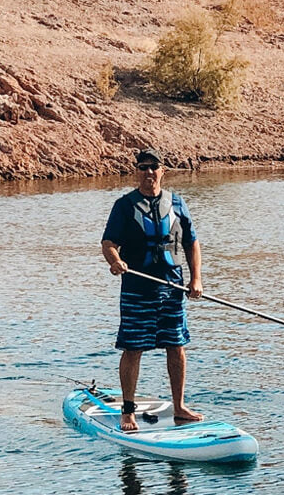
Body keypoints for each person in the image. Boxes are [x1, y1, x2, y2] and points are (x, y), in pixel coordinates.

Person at [101, 148, 204, 432]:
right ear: (137, 171)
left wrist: (196, 279)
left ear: (162, 171)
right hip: (137, 290)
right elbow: (108, 243)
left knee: (176, 346)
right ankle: (128, 412)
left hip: (172, 288)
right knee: (133, 349)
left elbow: (191, 243)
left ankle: (180, 407)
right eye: (143, 167)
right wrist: (116, 261)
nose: (148, 172)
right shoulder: (124, 206)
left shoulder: (178, 204)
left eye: (153, 167)